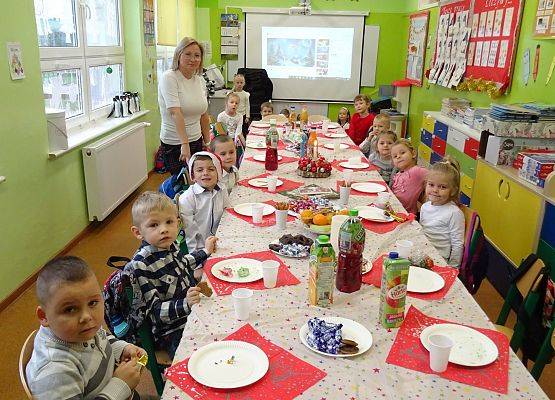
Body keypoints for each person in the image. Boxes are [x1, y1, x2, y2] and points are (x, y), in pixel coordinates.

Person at [26, 256, 146, 400]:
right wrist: (120, 385)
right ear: (44, 316)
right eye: (70, 309)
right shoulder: (55, 373)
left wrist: (121, 349)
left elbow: (101, 337)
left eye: (93, 303)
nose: (87, 316)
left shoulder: (77, 332)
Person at [129, 191, 217, 358]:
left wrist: (205, 251)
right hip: (170, 331)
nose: (164, 230)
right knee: (201, 357)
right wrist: (185, 303)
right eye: (154, 225)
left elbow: (183, 263)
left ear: (177, 224)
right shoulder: (140, 265)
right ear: (138, 232)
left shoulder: (170, 245)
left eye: (169, 222)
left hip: (191, 311)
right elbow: (154, 312)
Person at [158, 37, 211, 176]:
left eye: (197, 55)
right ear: (178, 55)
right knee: (182, 186)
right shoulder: (169, 78)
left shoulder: (199, 80)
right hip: (175, 142)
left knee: (199, 181)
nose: (193, 59)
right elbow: (176, 113)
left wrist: (207, 142)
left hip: (196, 139)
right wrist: (185, 144)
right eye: (188, 54)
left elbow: (204, 115)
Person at [179, 152, 230, 253]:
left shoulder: (222, 189)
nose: (205, 173)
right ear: (192, 176)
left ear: (219, 173)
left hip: (221, 242)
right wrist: (197, 263)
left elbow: (227, 215)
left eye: (211, 169)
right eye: (200, 170)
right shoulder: (187, 199)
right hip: (201, 250)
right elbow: (190, 234)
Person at [420, 157, 465, 267]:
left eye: (442, 187)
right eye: (431, 185)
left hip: (438, 259)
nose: (435, 190)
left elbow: (457, 244)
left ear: (453, 190)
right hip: (421, 251)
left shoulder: (454, 213)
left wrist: (453, 268)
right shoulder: (425, 207)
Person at [390, 139, 427, 214]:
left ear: (413, 154)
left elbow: (435, 176)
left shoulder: (417, 171)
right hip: (394, 210)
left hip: (407, 214)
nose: (398, 157)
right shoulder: (398, 174)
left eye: (402, 153)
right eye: (395, 156)